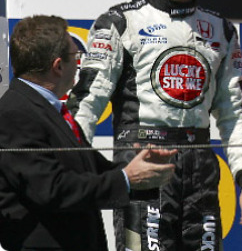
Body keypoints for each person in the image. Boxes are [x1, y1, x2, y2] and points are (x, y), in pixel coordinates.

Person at [67, 0, 242, 251]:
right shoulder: (120, 22)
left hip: (200, 169)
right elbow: (87, 101)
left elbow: (233, 114)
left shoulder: (221, 30)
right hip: (142, 161)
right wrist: (72, 170)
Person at [0, 15, 175, 251]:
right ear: (58, 66)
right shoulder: (15, 113)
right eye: (76, 56)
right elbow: (52, 190)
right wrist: (126, 178)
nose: (79, 63)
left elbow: (93, 172)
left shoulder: (50, 110)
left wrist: (144, 173)